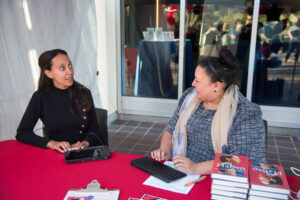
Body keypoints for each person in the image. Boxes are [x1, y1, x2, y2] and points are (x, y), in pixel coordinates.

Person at [151, 49, 266, 175]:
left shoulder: (244, 113)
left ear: (217, 86)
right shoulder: (189, 98)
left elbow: (246, 161)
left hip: (217, 180)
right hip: (182, 172)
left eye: (197, 80)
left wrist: (197, 168)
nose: (193, 83)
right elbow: (171, 129)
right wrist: (166, 149)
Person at [16, 49, 102, 153]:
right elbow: (22, 133)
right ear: (49, 73)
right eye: (62, 68)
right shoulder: (40, 97)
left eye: (70, 66)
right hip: (55, 155)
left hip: (83, 153)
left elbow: (94, 128)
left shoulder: (84, 93)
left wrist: (86, 142)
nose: (69, 71)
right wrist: (51, 143)